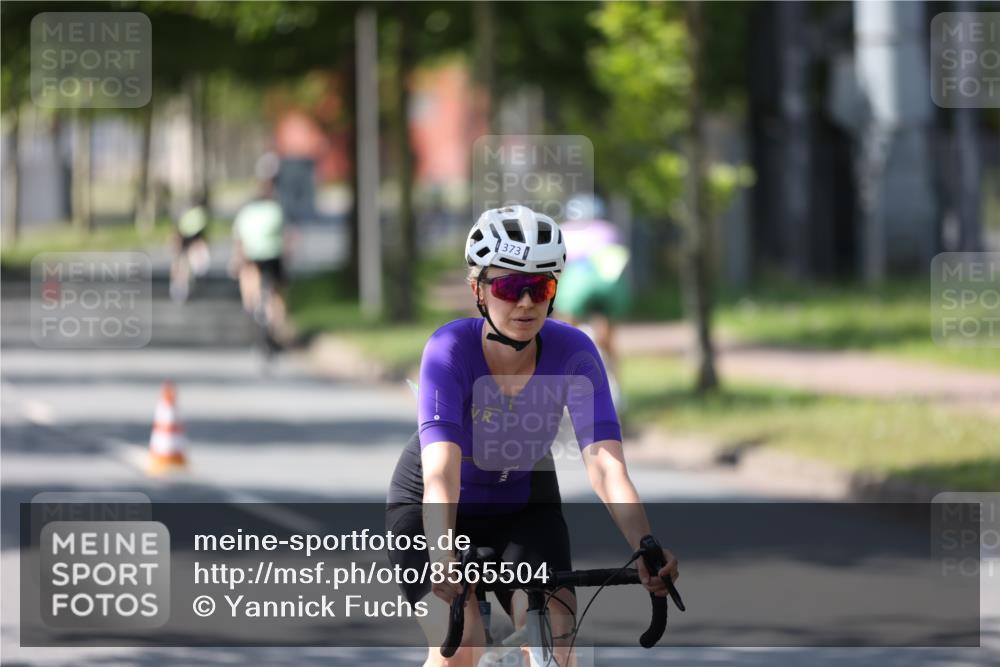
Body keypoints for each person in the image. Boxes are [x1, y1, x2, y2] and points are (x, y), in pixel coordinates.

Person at [385, 205, 679, 667]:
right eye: (508, 287)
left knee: (557, 636)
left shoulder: (575, 352)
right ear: (478, 290)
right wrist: (442, 553)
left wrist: (644, 544)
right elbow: (441, 470)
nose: (525, 303)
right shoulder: (449, 349)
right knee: (462, 647)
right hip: (434, 501)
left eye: (540, 287)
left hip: (522, 499)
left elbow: (604, 462)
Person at [554, 196, 632, 403]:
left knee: (564, 336)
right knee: (608, 340)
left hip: (576, 284)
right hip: (610, 285)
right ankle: (617, 390)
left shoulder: (563, 232)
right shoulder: (610, 230)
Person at [230, 154, 290, 342]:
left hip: (253, 255)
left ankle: (252, 305)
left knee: (248, 274)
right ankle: (277, 326)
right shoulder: (277, 209)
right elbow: (286, 236)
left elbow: (239, 238)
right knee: (278, 291)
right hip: (274, 255)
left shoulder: (248, 212)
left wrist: (237, 258)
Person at [169, 194, 211, 303]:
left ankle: (179, 287)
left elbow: (178, 231)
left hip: (186, 242)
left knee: (181, 264)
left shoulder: (189, 214)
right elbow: (199, 233)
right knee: (182, 265)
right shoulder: (198, 215)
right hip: (188, 242)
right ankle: (180, 287)